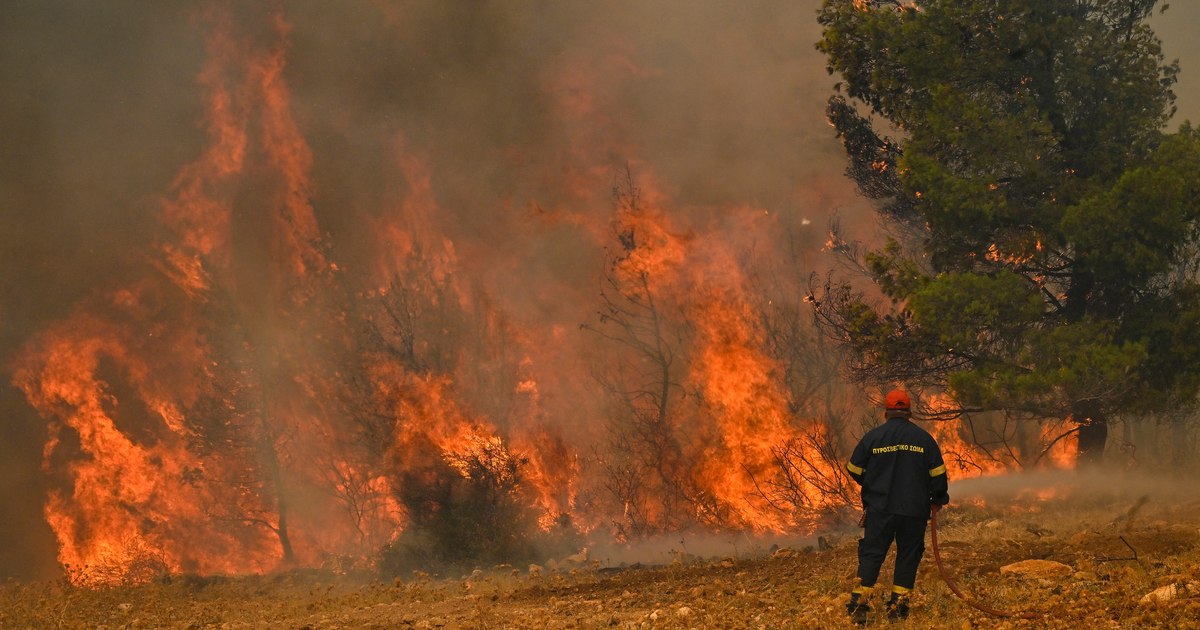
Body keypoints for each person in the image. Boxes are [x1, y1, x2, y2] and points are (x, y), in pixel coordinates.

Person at [844, 388, 950, 624]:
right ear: (909, 412)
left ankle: (859, 607)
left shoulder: (874, 437)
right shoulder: (924, 440)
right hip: (914, 510)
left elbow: (853, 469)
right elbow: (938, 474)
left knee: (872, 555)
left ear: (886, 413)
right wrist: (938, 499)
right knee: (908, 556)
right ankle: (898, 608)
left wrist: (872, 482)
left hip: (881, 508)